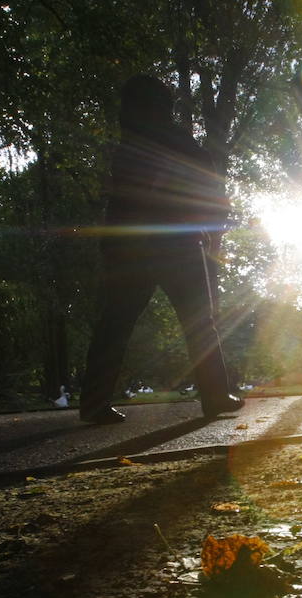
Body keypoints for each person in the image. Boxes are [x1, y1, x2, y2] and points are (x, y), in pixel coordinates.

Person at [79, 75, 244, 424]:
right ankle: (214, 395)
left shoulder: (128, 145)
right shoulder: (178, 141)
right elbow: (208, 185)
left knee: (116, 322)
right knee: (200, 322)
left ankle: (94, 402)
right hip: (175, 243)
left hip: (128, 243)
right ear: (162, 107)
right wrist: (213, 229)